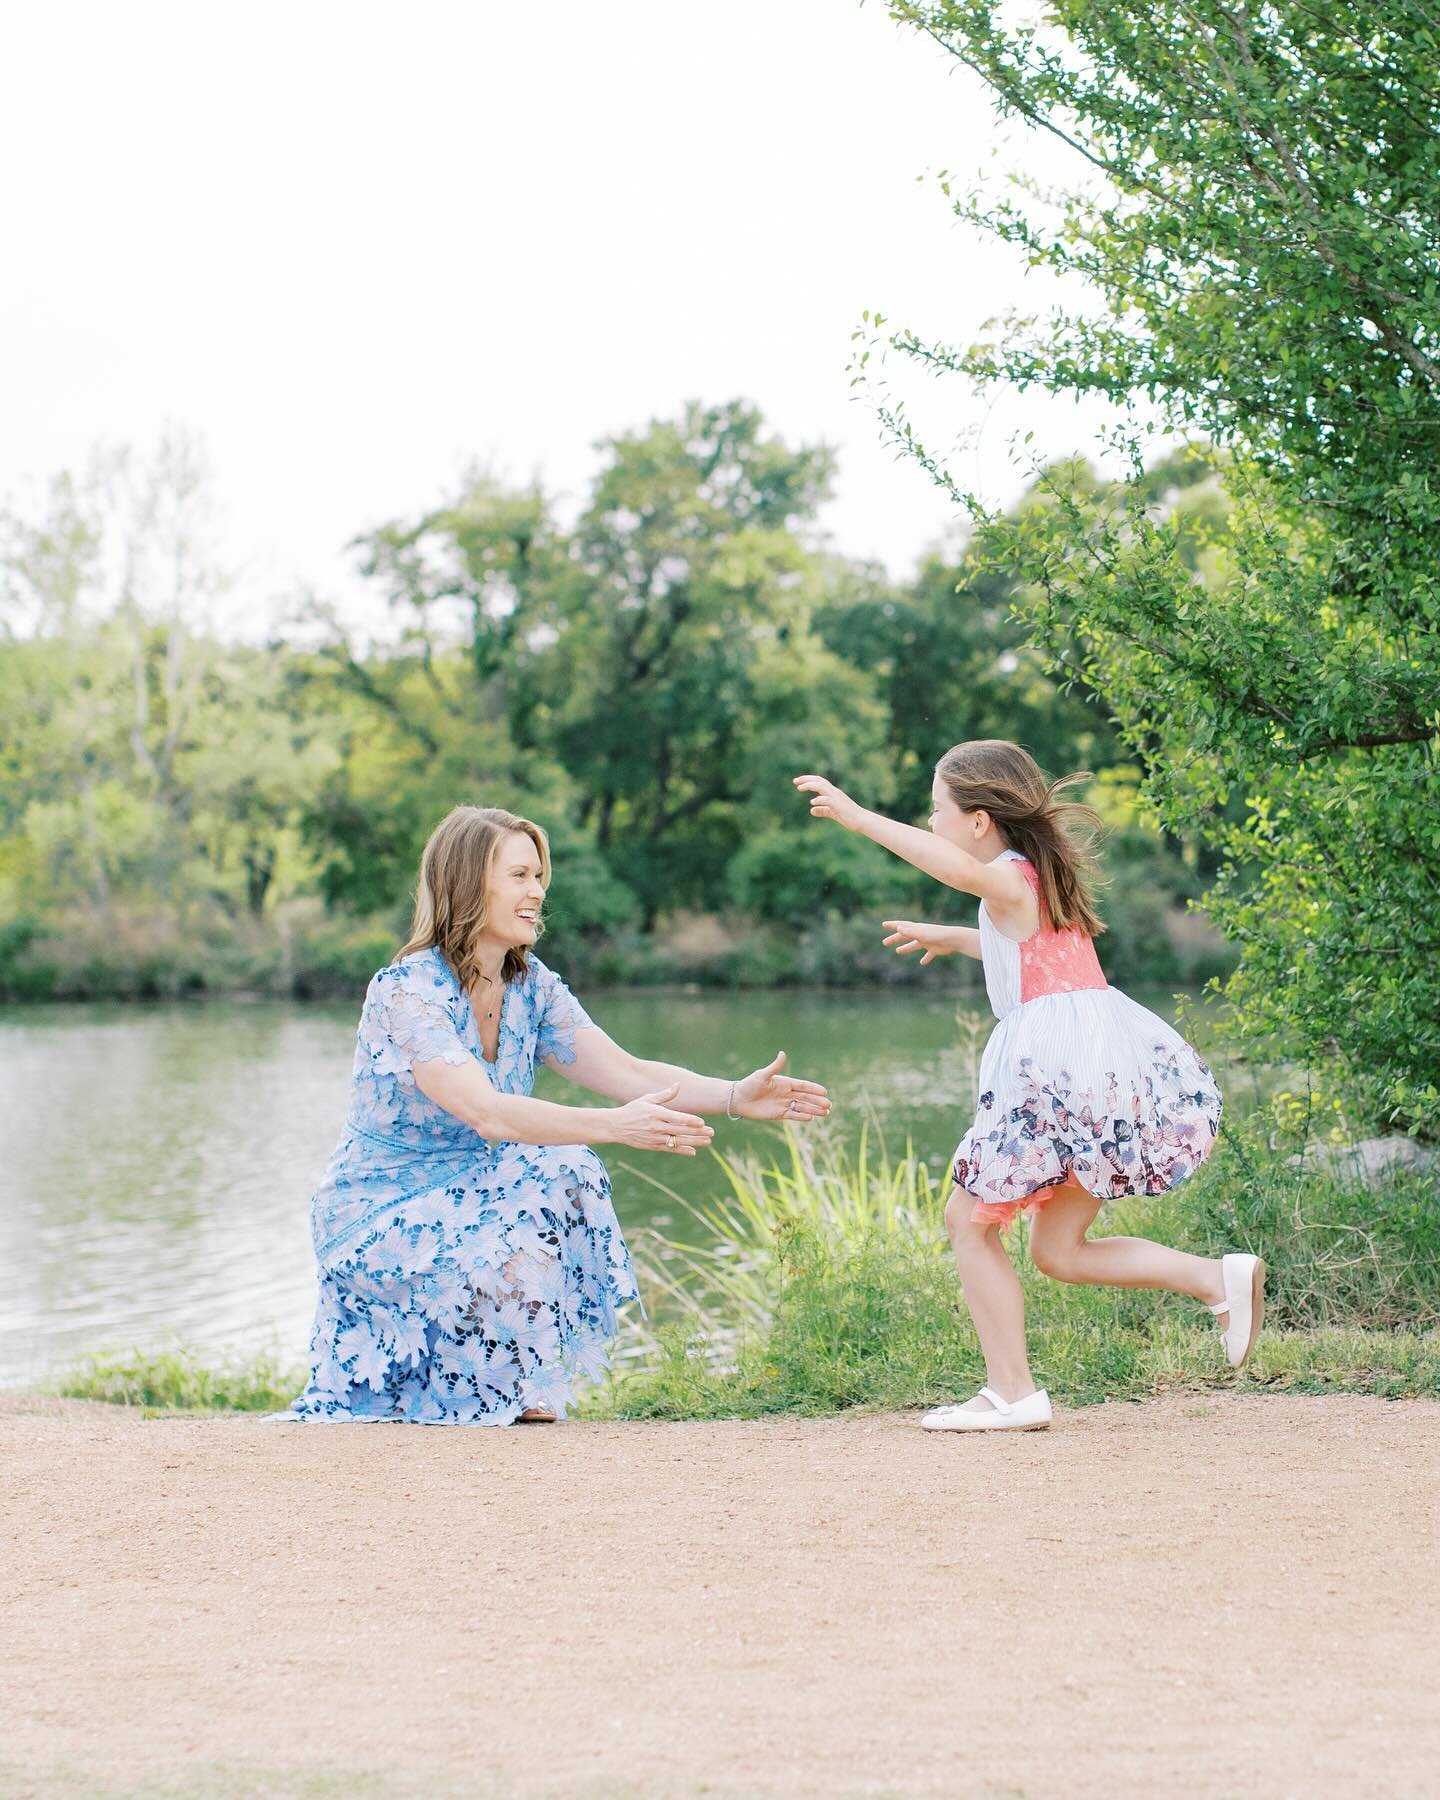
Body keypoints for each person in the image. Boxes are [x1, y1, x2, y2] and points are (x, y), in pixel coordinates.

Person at [281, 804, 830, 1426]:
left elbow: (626, 1074)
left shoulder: (529, 986)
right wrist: (613, 1127)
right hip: (383, 1209)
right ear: (468, 884)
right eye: (519, 876)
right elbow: (486, 1113)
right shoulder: (408, 991)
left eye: (539, 876)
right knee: (557, 1163)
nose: (538, 891)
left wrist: (733, 1094)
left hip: (469, 1193)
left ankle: (512, 1383)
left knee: (562, 1170)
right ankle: (486, 1386)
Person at [794, 741, 1262, 1434]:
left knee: (968, 1221)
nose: (931, 821)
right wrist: (959, 938)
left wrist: (862, 818)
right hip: (1093, 1074)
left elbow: (956, 872)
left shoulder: (1010, 874)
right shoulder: (1038, 877)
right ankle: (1212, 1279)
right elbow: (1034, 949)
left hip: (1050, 1075)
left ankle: (1012, 1392)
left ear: (978, 821)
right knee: (1057, 1252)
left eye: (935, 809)